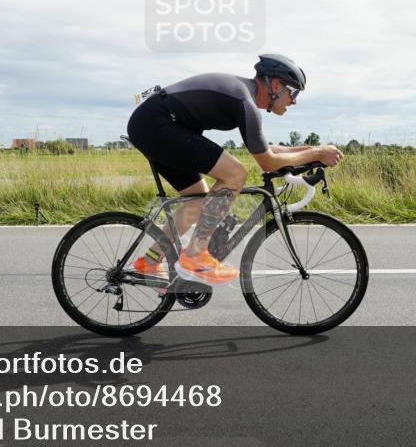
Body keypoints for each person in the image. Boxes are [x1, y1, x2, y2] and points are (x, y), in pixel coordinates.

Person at [126, 54, 343, 286]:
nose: (294, 101)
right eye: (294, 92)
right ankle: (195, 256)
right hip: (156, 124)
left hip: (152, 124)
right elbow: (267, 162)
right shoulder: (244, 101)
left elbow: (269, 150)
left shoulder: (243, 96)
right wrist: (316, 154)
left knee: (199, 200)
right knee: (235, 173)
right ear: (276, 85)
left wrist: (316, 150)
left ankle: (149, 261)